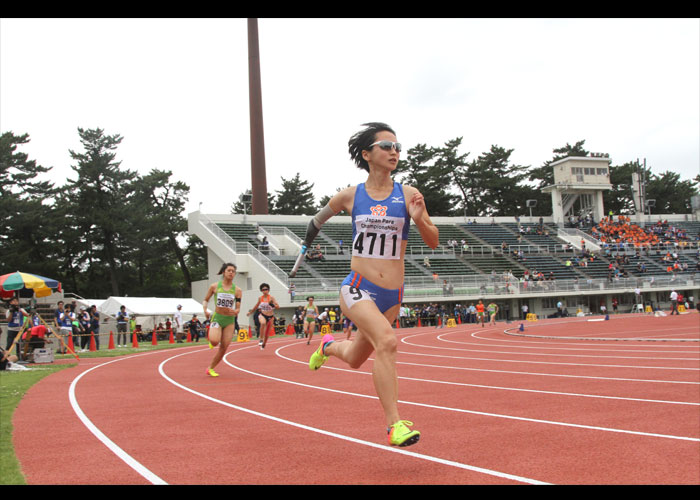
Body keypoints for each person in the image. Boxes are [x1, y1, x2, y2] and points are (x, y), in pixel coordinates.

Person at [303, 122, 439, 447]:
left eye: (397, 146)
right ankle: (394, 425)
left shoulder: (409, 196)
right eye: (386, 146)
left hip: (392, 294)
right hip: (358, 287)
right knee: (388, 342)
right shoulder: (350, 196)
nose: (394, 151)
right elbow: (316, 220)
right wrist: (308, 239)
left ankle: (328, 347)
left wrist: (419, 219)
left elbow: (433, 241)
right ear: (367, 154)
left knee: (353, 358)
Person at [202, 263, 242, 377]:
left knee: (224, 346)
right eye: (229, 270)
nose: (231, 272)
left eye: (233, 271)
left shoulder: (237, 290)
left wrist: (236, 311)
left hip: (229, 320)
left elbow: (238, 307)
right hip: (218, 318)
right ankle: (212, 339)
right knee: (214, 342)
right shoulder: (214, 286)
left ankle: (210, 368)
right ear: (224, 272)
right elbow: (206, 299)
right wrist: (205, 310)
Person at [247, 283, 279, 349]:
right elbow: (256, 306)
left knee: (267, 334)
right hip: (263, 314)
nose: (265, 291)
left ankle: (264, 343)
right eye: (263, 290)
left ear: (268, 290)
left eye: (266, 289)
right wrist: (250, 312)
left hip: (270, 317)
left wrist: (272, 305)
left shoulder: (271, 298)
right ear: (261, 291)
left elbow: (278, 307)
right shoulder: (260, 298)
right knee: (263, 323)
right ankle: (261, 338)